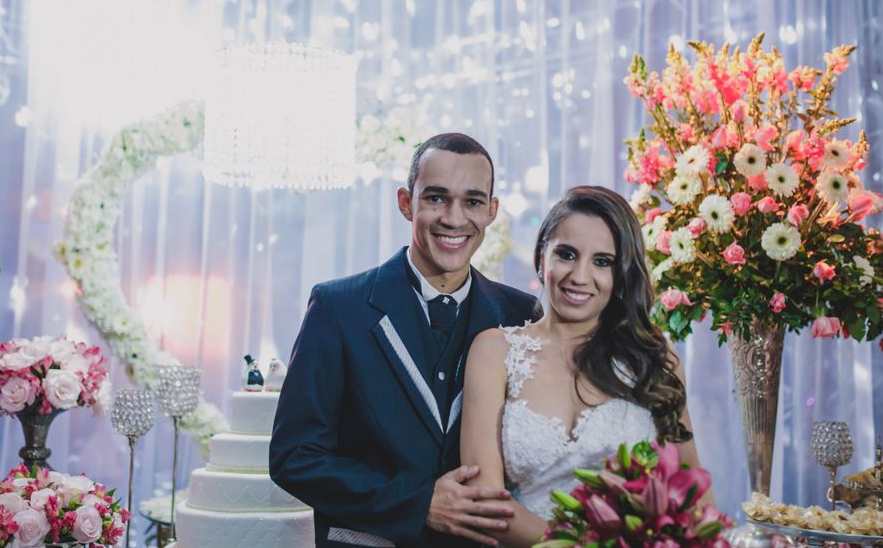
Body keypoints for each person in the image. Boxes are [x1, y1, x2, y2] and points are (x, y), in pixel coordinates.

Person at [270, 133, 540, 548]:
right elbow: (295, 457)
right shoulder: (338, 307)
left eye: (471, 201)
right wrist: (417, 502)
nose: (454, 218)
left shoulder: (522, 315)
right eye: (436, 198)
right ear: (405, 202)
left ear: (491, 210)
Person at [460, 185, 711, 547]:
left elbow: (694, 491)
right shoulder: (494, 351)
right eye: (566, 254)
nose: (580, 276)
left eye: (602, 261)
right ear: (542, 255)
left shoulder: (655, 357)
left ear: (621, 272)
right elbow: (486, 502)